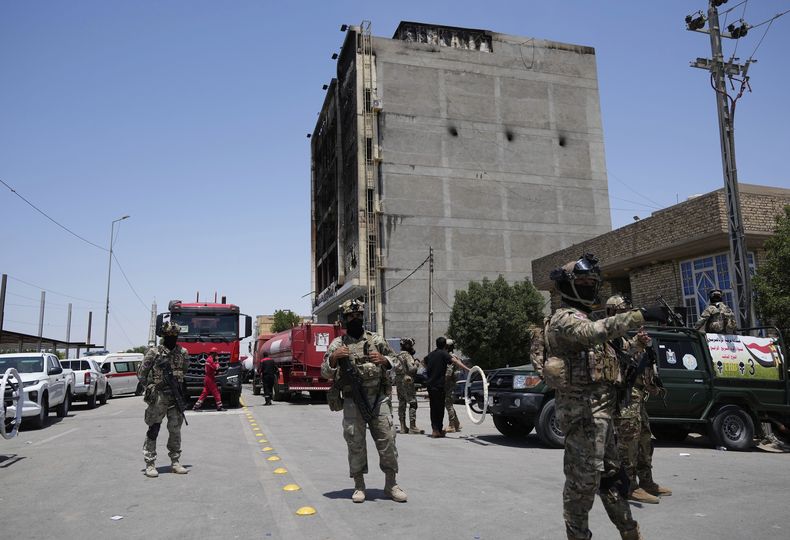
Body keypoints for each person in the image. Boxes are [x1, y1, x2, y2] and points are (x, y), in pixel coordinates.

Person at [545, 253, 669, 540]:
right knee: (582, 485)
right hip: (583, 415)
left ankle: (629, 530)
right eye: (584, 281)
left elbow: (616, 358)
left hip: (604, 414)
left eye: (592, 281)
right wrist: (640, 314)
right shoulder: (564, 318)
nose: (590, 286)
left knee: (612, 477)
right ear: (569, 286)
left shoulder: (589, 318)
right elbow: (591, 332)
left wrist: (638, 344)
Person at [320, 299, 407, 503]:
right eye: (350, 316)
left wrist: (385, 360)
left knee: (387, 440)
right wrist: (333, 359)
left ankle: (391, 484)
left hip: (378, 399)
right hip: (352, 402)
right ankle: (359, 486)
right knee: (355, 443)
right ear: (344, 319)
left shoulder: (376, 340)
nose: (355, 319)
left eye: (358, 315)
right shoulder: (338, 344)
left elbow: (400, 365)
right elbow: (325, 373)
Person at [607, 295, 672, 505]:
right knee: (628, 445)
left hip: (636, 398)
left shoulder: (623, 339)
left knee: (645, 440)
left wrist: (639, 344)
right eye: (622, 312)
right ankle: (629, 486)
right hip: (621, 400)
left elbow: (630, 358)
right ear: (612, 315)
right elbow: (616, 363)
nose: (627, 316)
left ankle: (646, 481)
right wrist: (635, 346)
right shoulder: (605, 341)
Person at [138, 321, 190, 478]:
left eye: (175, 336)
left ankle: (175, 462)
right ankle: (150, 463)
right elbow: (141, 374)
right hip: (159, 397)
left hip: (176, 396)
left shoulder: (183, 352)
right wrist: (151, 387)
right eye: (169, 336)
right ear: (163, 336)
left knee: (175, 430)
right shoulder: (154, 353)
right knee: (154, 428)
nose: (172, 338)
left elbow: (184, 371)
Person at [424, 336, 468, 438]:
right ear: (445, 345)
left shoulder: (431, 354)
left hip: (430, 385)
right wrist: (467, 369)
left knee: (433, 407)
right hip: (439, 385)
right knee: (439, 408)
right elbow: (455, 361)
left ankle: (435, 430)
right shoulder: (444, 354)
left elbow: (423, 362)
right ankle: (438, 430)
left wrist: (431, 370)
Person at [393, 337, 424, 434]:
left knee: (401, 403)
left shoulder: (397, 356)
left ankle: (402, 427)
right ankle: (412, 426)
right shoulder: (407, 355)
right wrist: (417, 364)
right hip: (407, 380)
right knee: (413, 402)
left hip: (398, 380)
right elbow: (412, 369)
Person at [443, 339, 470, 433]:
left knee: (448, 404)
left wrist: (442, 381)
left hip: (448, 382)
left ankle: (452, 425)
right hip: (451, 382)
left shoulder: (450, 356)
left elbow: (448, 373)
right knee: (449, 403)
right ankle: (456, 423)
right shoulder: (453, 356)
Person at [193, 347, 226, 411]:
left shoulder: (209, 359)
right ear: (214, 354)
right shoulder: (210, 360)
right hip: (210, 379)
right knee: (216, 392)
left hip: (208, 378)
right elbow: (216, 367)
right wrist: (217, 361)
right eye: (216, 354)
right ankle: (219, 406)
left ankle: (196, 406)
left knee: (205, 393)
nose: (217, 356)